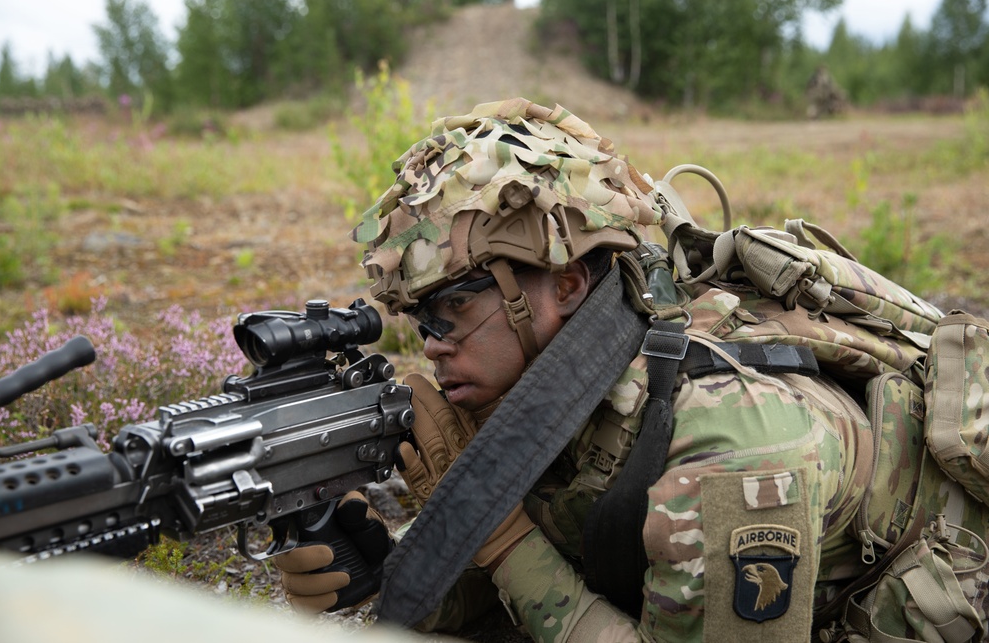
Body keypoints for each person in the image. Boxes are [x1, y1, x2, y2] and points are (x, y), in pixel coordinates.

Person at [274, 98, 989, 642]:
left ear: (567, 284)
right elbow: (576, 568)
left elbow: (545, 570)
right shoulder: (563, 383)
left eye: (452, 310)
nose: (431, 345)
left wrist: (496, 531)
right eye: (419, 319)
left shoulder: (732, 441)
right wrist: (406, 564)